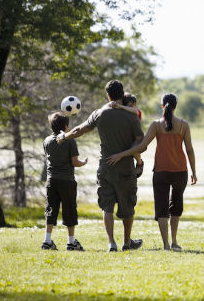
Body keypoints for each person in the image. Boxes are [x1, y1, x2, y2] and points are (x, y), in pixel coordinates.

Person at [58, 80, 144, 252]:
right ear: (122, 94)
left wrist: (64, 136)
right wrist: (131, 158)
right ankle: (126, 243)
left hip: (105, 167)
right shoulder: (131, 116)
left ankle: (111, 243)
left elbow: (80, 130)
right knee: (128, 207)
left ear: (108, 95)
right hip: (126, 168)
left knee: (107, 206)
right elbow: (140, 143)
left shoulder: (99, 113)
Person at [107, 93, 197, 251]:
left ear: (162, 106)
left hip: (161, 172)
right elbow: (189, 150)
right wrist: (194, 172)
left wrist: (122, 154)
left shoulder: (156, 125)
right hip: (180, 171)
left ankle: (166, 245)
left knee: (162, 209)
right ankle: (174, 242)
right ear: (175, 106)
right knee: (176, 206)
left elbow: (142, 146)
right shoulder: (184, 125)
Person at [42, 112, 88, 251]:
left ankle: (47, 240)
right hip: (67, 181)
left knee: (51, 209)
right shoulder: (70, 141)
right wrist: (83, 163)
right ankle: (71, 242)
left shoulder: (47, 141)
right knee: (69, 210)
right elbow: (75, 162)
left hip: (51, 181)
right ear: (66, 127)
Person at [108, 93, 144, 171]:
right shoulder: (124, 111)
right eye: (128, 106)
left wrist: (120, 106)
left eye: (131, 105)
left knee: (134, 151)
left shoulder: (136, 111)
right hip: (127, 136)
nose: (130, 107)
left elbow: (135, 111)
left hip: (136, 137)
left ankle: (139, 163)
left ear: (135, 104)